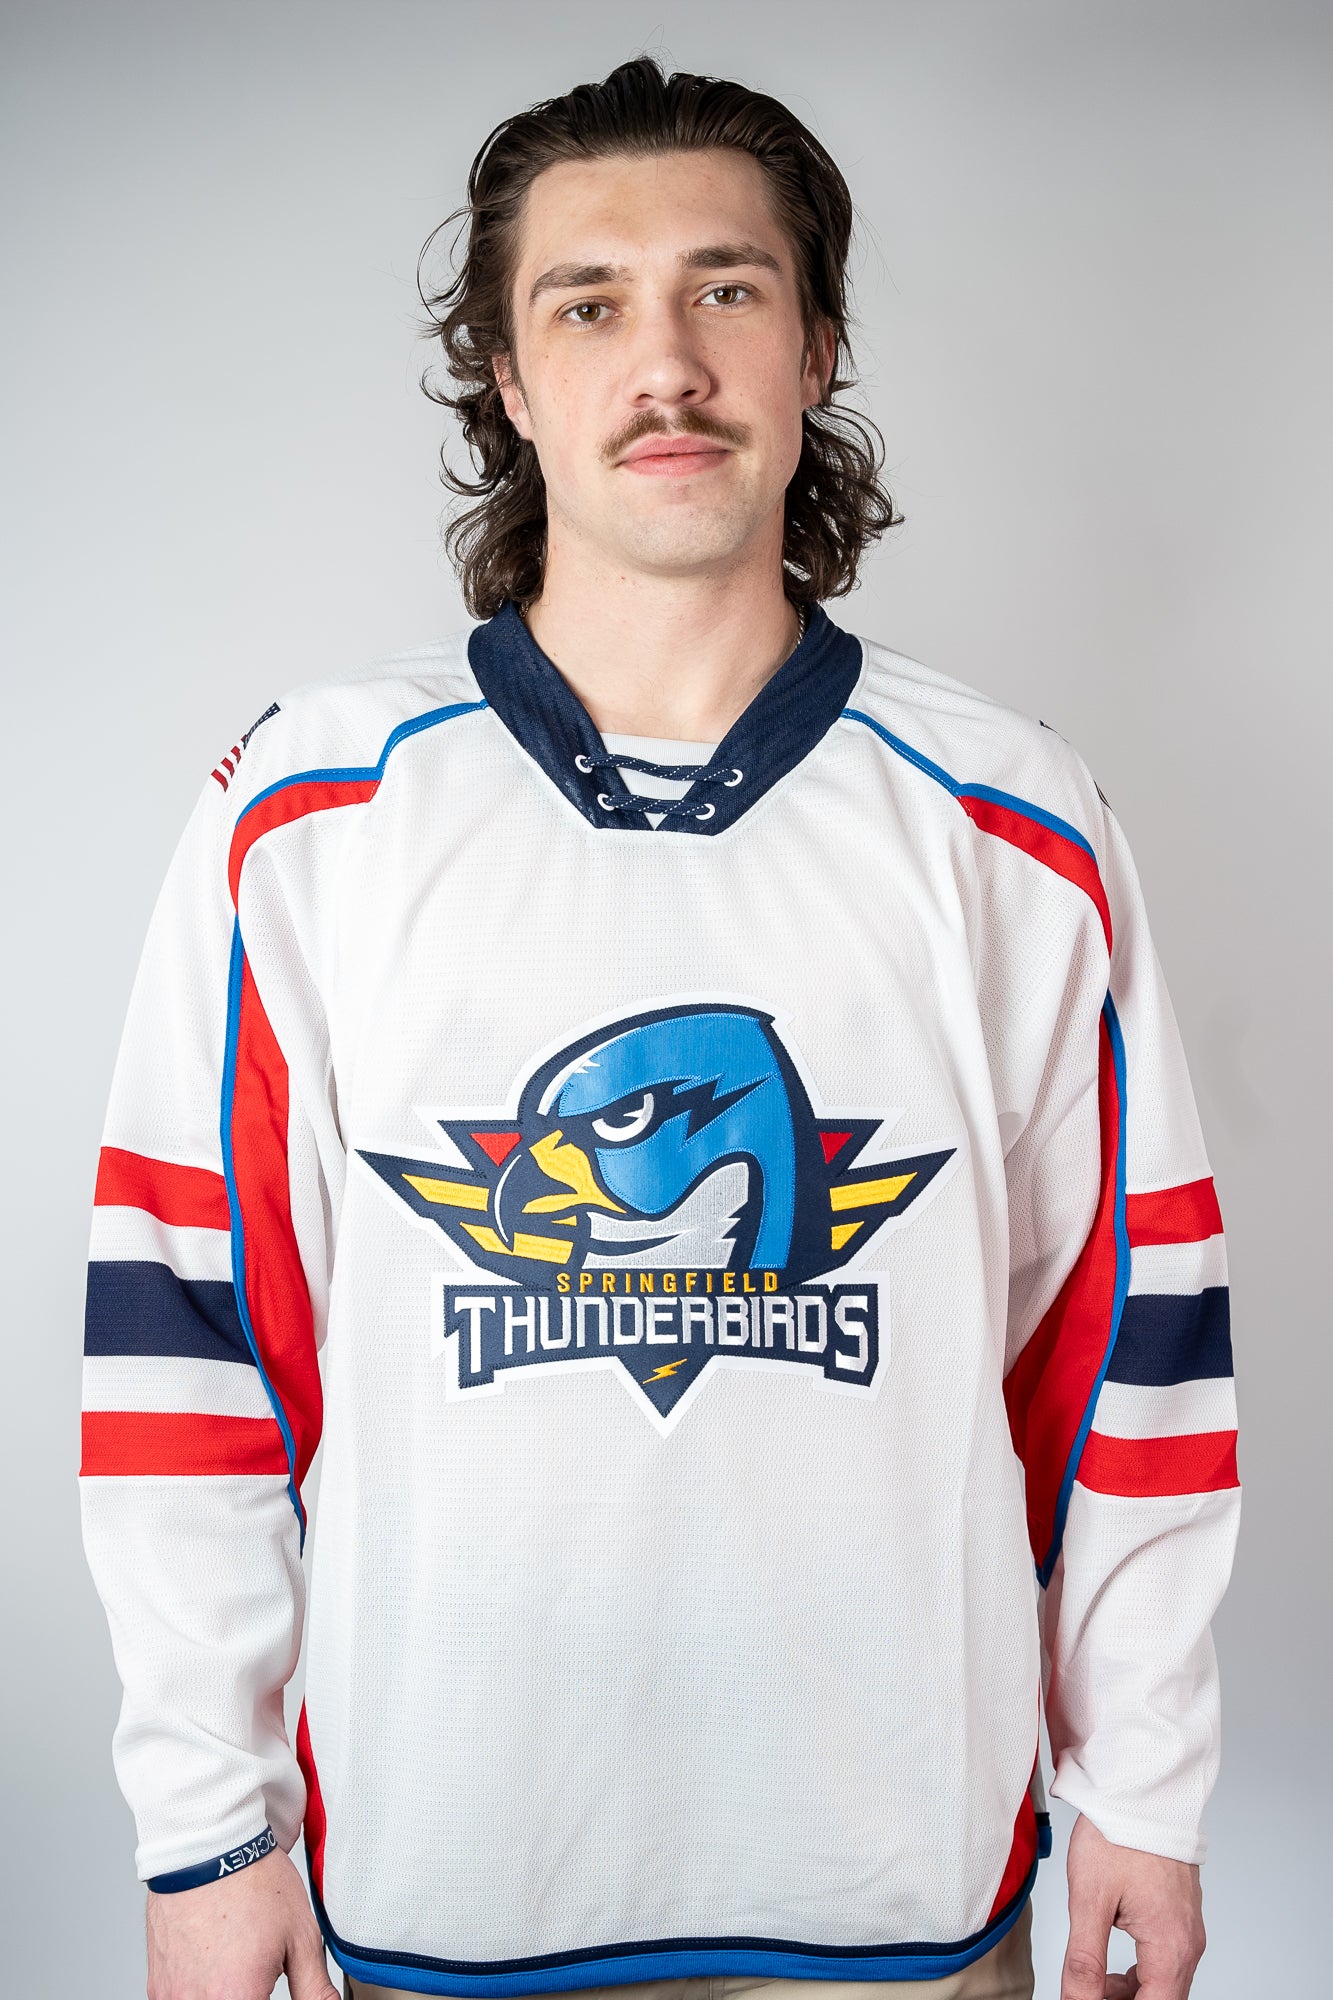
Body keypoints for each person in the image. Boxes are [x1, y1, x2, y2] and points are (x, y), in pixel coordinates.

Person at [79, 55, 1241, 2000]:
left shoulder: (1014, 823)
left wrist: (1142, 1791)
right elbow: (189, 1349)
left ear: (816, 346)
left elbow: (1132, 1348)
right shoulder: (308, 813)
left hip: (898, 1891)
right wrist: (208, 1828)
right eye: (587, 304)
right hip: (448, 1884)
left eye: (725, 289)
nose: (667, 364)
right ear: (509, 382)